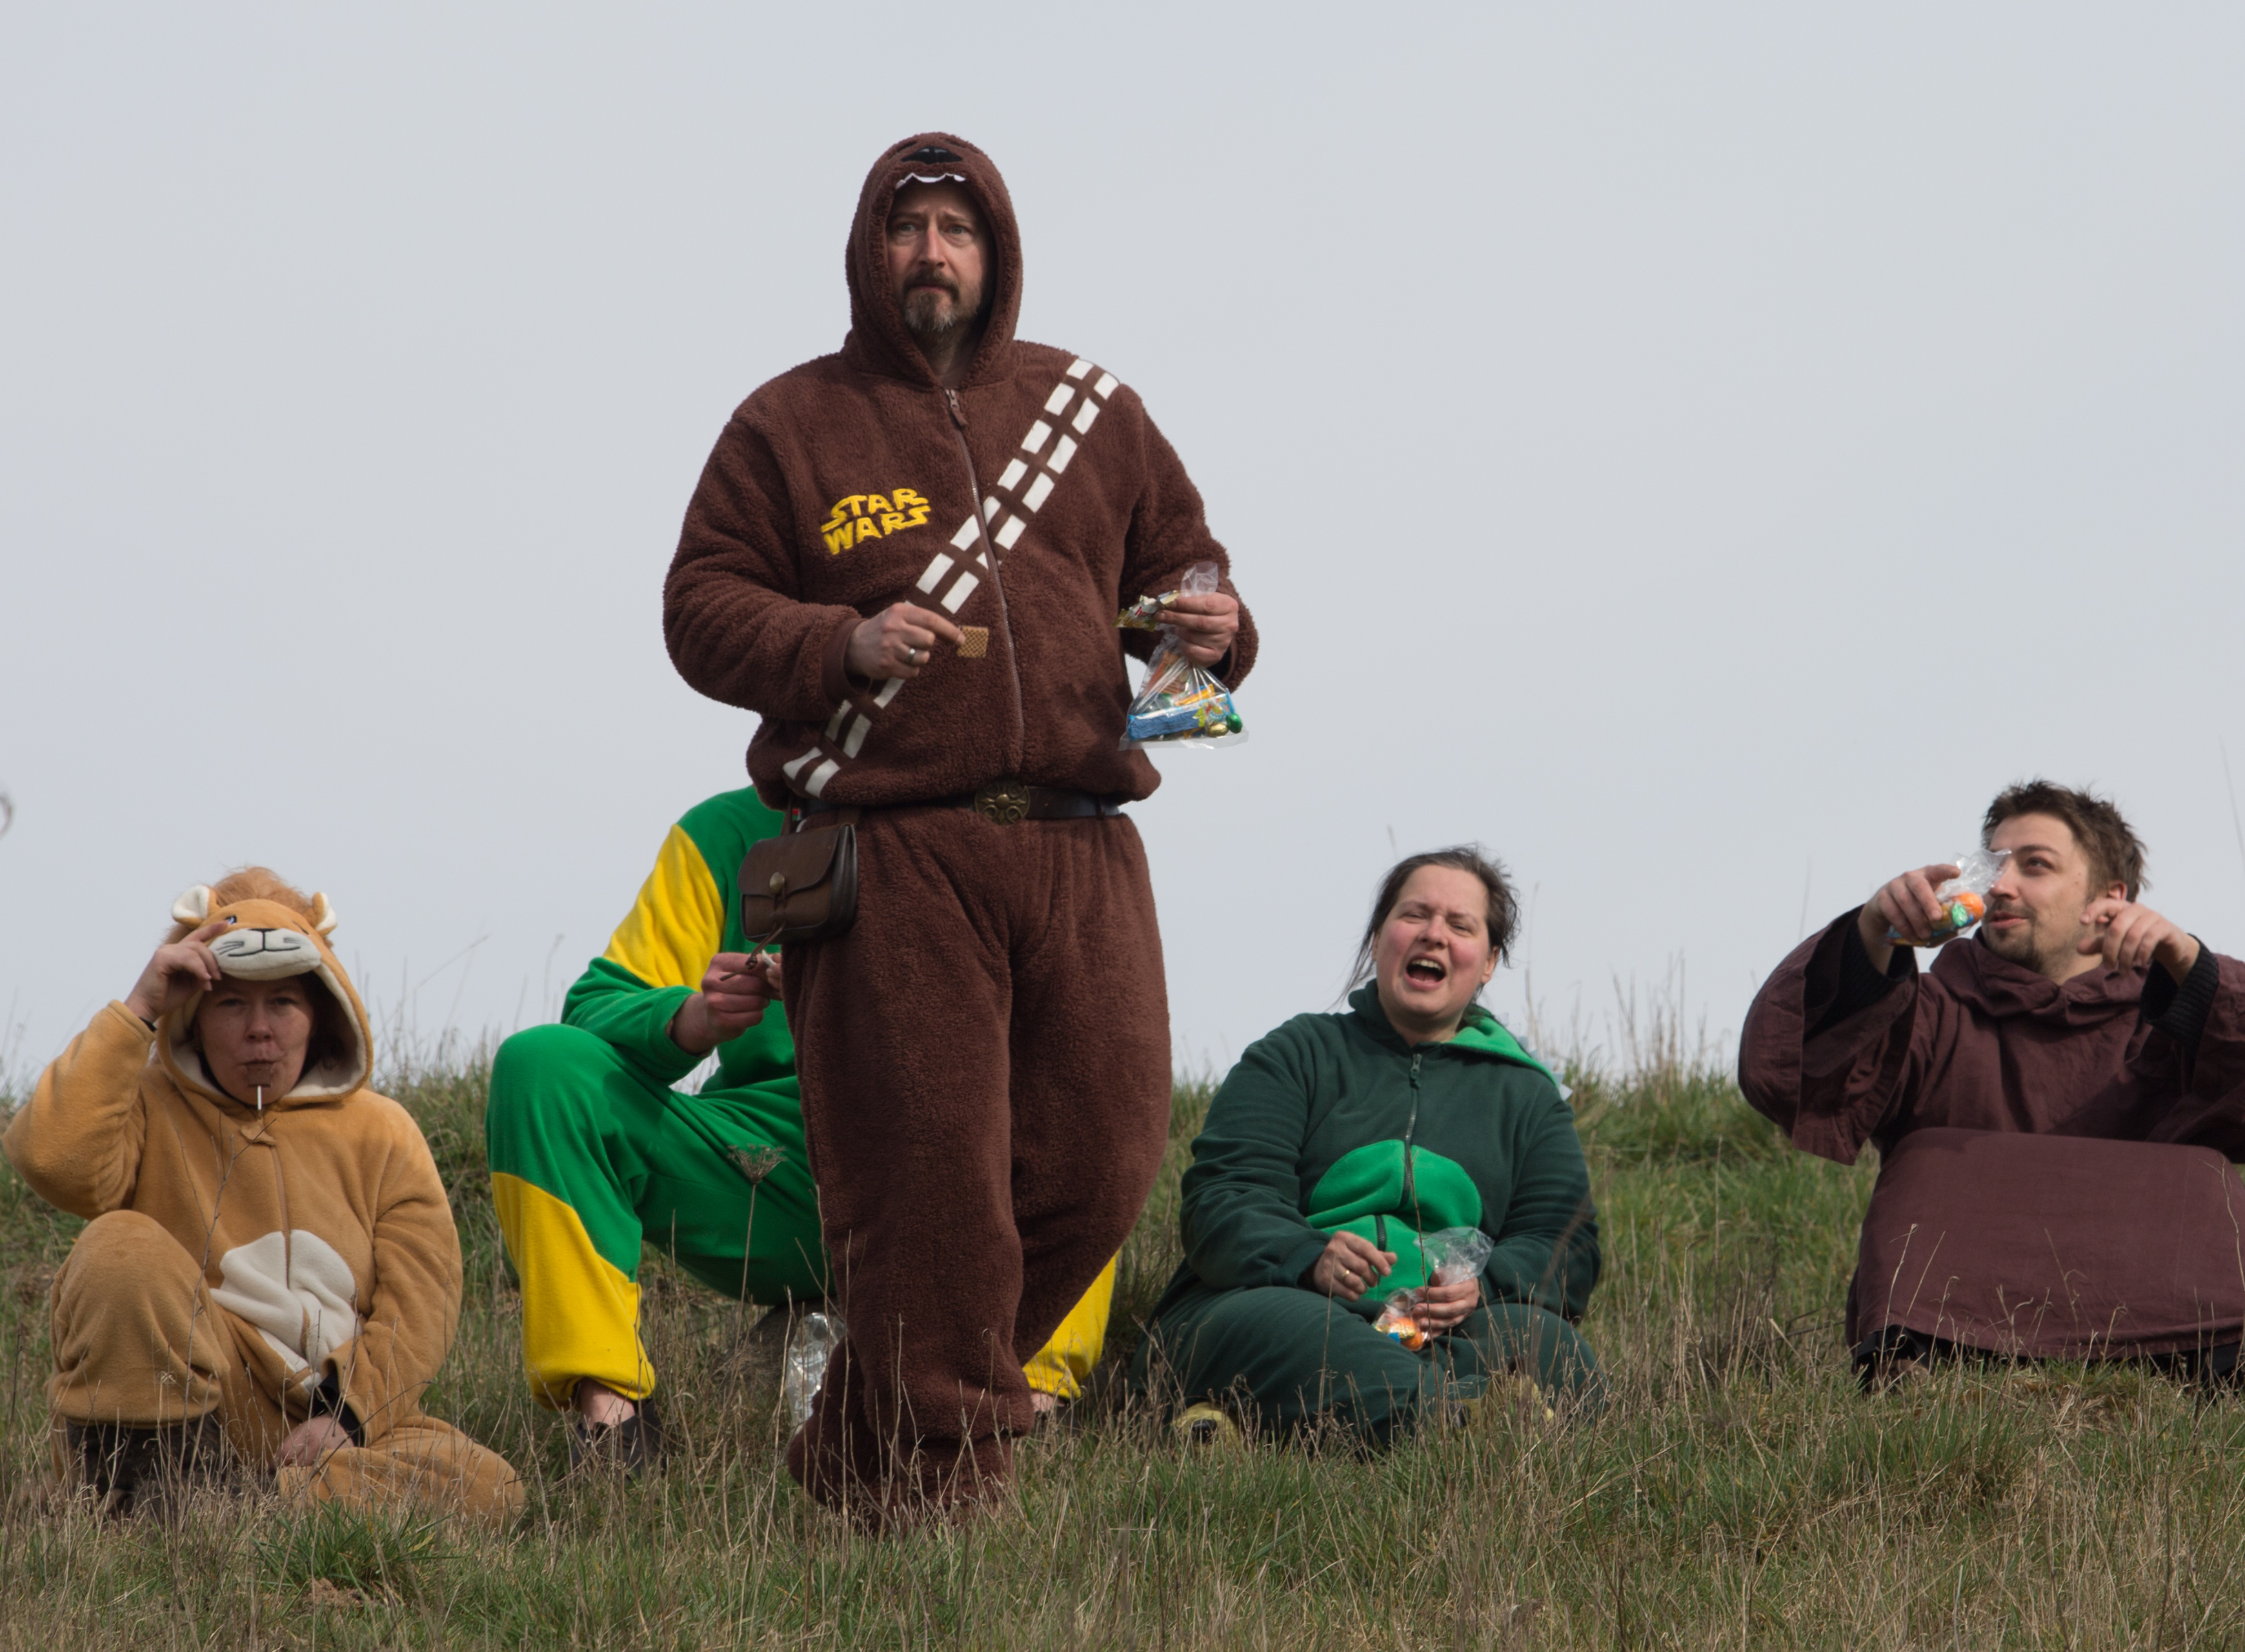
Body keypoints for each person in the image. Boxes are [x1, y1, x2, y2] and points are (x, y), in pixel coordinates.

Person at [659, 131, 1255, 1526]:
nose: (932, 252)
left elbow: (1186, 572)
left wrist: (1222, 627)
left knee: (1106, 1158)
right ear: (867, 252)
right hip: (893, 849)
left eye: (958, 229)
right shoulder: (788, 424)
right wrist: (841, 640)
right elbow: (699, 609)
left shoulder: (1092, 408)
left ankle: (856, 1447)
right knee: (930, 1184)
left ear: (998, 253)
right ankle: (946, 1494)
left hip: (1083, 837)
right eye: (907, 227)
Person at [486, 785, 1119, 1466]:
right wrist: (693, 1016)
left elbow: (1068, 1037)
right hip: (772, 1171)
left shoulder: (1010, 822)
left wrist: (873, 1002)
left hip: (953, 1171)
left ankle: (1036, 1402)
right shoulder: (724, 831)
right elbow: (596, 1008)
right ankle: (614, 1424)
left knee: (1092, 1081)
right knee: (541, 1067)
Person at [1738, 781, 2245, 1385]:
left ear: (2111, 897)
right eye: (1994, 865)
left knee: (2201, 1175)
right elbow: (1792, 1072)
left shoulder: (2170, 1022)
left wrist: (2191, 964)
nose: (2001, 886)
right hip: (1952, 1326)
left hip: (2170, 1323)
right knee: (1927, 1163)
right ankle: (1918, 1360)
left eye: (2035, 865)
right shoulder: (1930, 1013)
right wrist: (1871, 936)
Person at [6, 871, 521, 1518]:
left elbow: (423, 1298)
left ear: (321, 1013)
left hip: (324, 1418)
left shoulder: (384, 1130)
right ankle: (141, 1480)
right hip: (198, 1393)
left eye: (282, 1002)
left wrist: (349, 1414)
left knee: (488, 1486)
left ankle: (227, 1506)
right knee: (119, 1246)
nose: (259, 1029)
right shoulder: (145, 1104)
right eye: (230, 1004)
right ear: (192, 1015)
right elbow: (54, 1160)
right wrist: (138, 1009)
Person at [1133, 849, 1603, 1442]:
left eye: (1460, 926)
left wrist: (1482, 1288)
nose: (1434, 934)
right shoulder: (1292, 1055)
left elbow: (1567, 1244)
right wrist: (1308, 1257)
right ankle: (1464, 1425)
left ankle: (1258, 1427)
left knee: (1551, 1346)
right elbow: (1222, 1203)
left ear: (1488, 963)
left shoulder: (1529, 1097)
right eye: (1415, 915)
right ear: (1379, 937)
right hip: (1282, 1307)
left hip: (1439, 1330)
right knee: (1306, 1333)